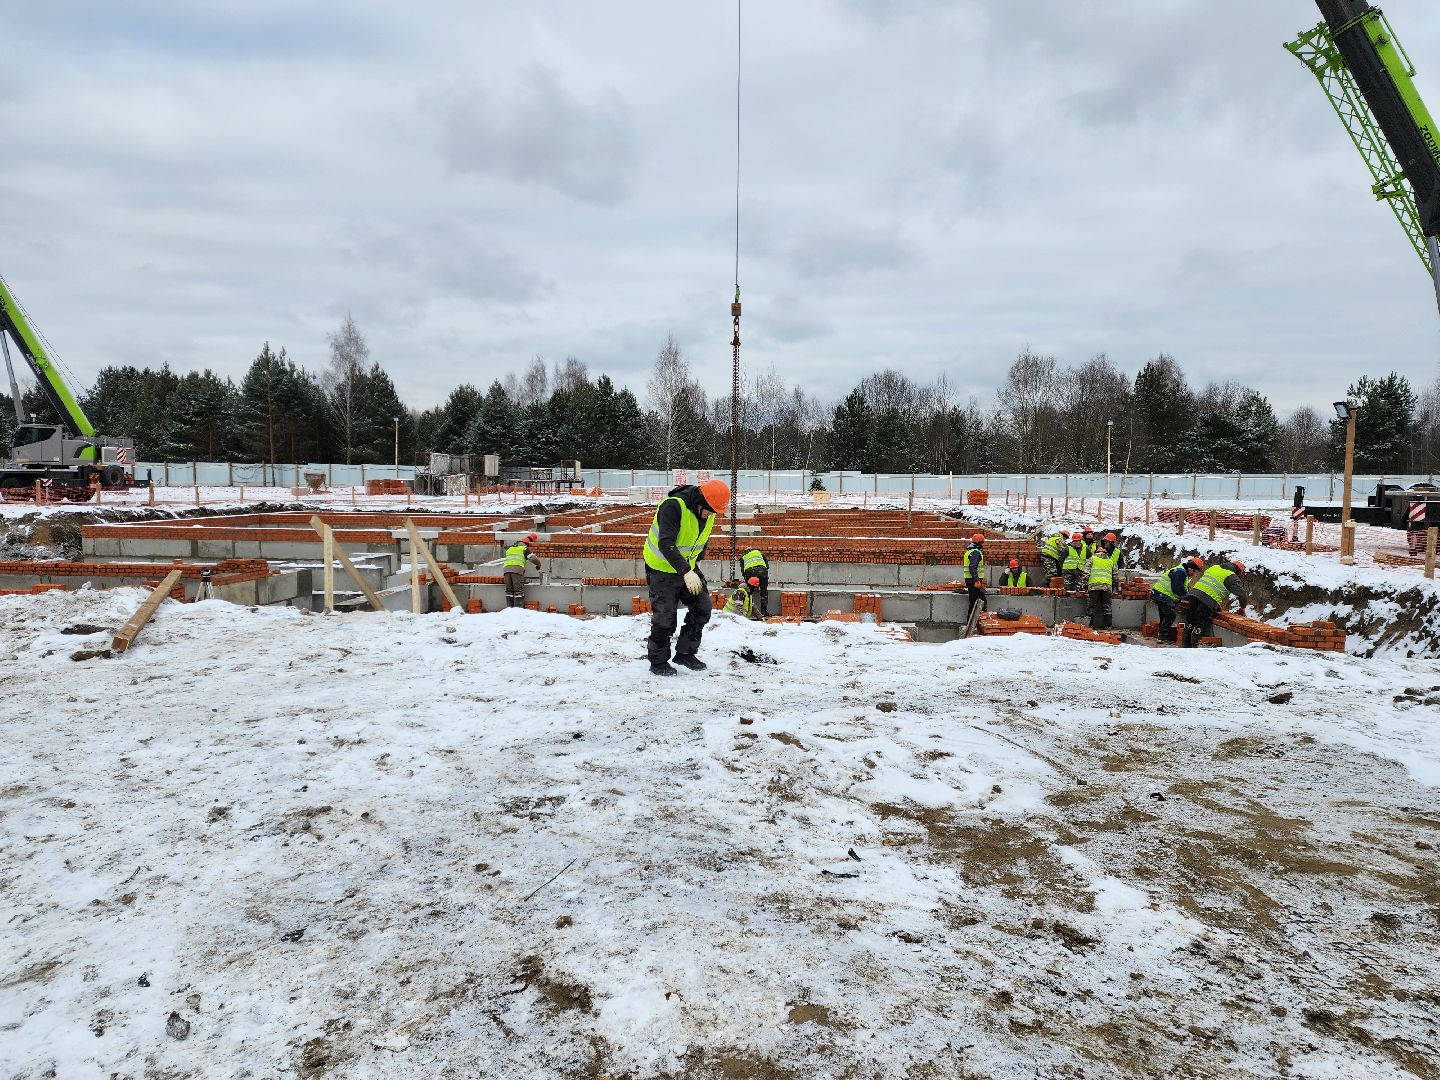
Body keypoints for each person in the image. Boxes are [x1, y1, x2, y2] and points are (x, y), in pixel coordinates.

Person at [643, 478, 730, 676]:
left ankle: (685, 653)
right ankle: (658, 662)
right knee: (665, 618)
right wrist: (686, 571)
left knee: (703, 608)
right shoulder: (673, 507)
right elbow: (666, 543)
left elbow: (702, 538)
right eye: (709, 510)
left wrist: (697, 562)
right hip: (661, 569)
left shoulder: (708, 512)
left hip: (687, 568)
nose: (711, 515)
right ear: (700, 501)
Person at [1183, 558, 1248, 648]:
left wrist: (1216, 606)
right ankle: (1194, 650)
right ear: (1238, 571)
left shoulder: (1214, 567)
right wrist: (1242, 608)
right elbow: (1242, 595)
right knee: (1200, 624)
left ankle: (1185, 648)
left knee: (1190, 622)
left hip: (1193, 595)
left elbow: (1210, 585)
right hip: (1207, 600)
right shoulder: (1231, 576)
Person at [1152, 555, 1204, 644]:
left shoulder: (1183, 572)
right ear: (1190, 568)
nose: (1195, 574)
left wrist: (1188, 595)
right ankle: (1162, 637)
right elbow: (1177, 589)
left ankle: (1162, 635)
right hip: (1162, 595)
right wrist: (1187, 597)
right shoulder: (1180, 572)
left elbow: (1183, 588)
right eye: (1195, 571)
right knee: (1170, 615)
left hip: (1160, 594)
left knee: (1164, 615)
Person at [1086, 531, 1123, 629]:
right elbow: (1115, 576)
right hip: (1107, 585)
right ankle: (1108, 625)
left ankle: (1089, 625)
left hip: (1094, 585)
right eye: (1105, 541)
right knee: (1107, 606)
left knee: (1091, 606)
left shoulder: (1093, 558)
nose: (1106, 543)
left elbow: (1086, 573)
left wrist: (1083, 585)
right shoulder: (1110, 561)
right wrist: (1117, 587)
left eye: (1108, 541)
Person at [503, 533, 541, 608]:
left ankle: (509, 609)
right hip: (516, 570)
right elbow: (533, 558)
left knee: (509, 590)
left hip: (506, 570)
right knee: (518, 590)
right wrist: (538, 565)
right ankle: (518, 610)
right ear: (526, 543)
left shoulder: (510, 548)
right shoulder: (524, 549)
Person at [963, 532, 987, 621]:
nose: (982, 544)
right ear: (978, 543)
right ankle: (977, 623)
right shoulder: (975, 552)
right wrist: (977, 580)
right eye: (982, 542)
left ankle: (971, 622)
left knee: (974, 602)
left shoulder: (970, 551)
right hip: (973, 581)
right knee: (980, 602)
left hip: (971, 580)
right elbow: (972, 567)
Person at [741, 548, 770, 617]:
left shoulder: (743, 556)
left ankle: (747, 611)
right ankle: (764, 612)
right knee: (764, 592)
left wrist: (747, 580)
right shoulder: (758, 552)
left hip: (749, 572)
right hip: (762, 570)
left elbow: (743, 571)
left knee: (748, 592)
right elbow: (767, 565)